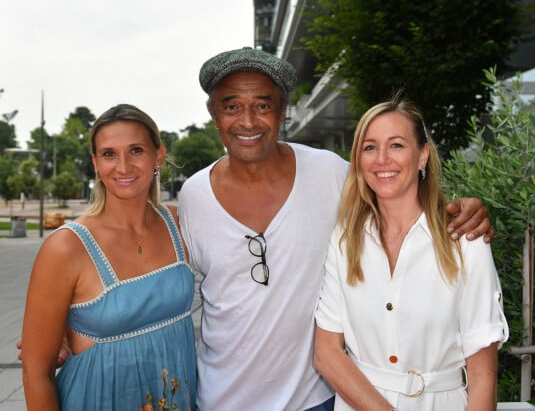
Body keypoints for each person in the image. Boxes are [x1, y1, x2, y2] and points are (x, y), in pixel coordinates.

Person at [178, 47, 494, 410]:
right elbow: (190, 295)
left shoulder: (330, 173)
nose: (247, 121)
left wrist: (460, 211)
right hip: (221, 400)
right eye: (231, 106)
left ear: (282, 112)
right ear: (214, 114)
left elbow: (391, 194)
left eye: (263, 106)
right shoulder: (194, 196)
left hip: (317, 400)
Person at [313, 98, 509, 410]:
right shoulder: (345, 239)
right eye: (370, 147)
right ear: (358, 161)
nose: (382, 159)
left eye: (397, 145)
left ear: (423, 156)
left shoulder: (465, 240)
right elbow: (326, 352)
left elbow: (483, 374)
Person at [20, 104, 197, 410]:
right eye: (109, 154)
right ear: (95, 163)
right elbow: (36, 372)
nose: (123, 166)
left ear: (158, 155)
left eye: (136, 150)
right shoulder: (66, 247)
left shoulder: (180, 225)